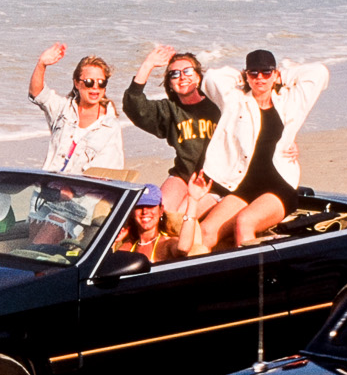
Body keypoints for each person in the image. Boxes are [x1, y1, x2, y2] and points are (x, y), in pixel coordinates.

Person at [195, 49, 329, 250]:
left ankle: (250, 278)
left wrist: (281, 75)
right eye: (254, 73)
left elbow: (318, 73)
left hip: (279, 185)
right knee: (206, 230)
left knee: (245, 221)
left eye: (266, 73)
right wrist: (242, 77)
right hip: (244, 185)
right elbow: (212, 78)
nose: (260, 78)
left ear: (275, 74)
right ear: (247, 75)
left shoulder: (289, 102)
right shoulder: (236, 102)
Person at [122, 45, 220, 235]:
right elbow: (134, 105)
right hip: (183, 175)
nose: (182, 77)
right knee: (162, 215)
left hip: (216, 180)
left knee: (179, 221)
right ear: (170, 84)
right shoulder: (169, 110)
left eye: (187, 71)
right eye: (174, 74)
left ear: (199, 76)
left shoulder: (218, 104)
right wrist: (148, 64)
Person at [29, 44, 126, 175]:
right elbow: (38, 94)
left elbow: (107, 173)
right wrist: (41, 64)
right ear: (77, 83)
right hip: (48, 187)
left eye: (101, 83)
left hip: (83, 193)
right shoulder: (63, 109)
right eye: (89, 82)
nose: (95, 88)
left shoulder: (110, 126)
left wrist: (72, 190)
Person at [110, 186, 199, 263]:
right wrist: (113, 242)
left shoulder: (166, 244)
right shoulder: (128, 246)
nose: (145, 211)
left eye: (150, 206)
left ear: (161, 210)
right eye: (139, 206)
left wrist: (193, 201)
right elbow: (109, 268)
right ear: (133, 212)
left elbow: (183, 248)